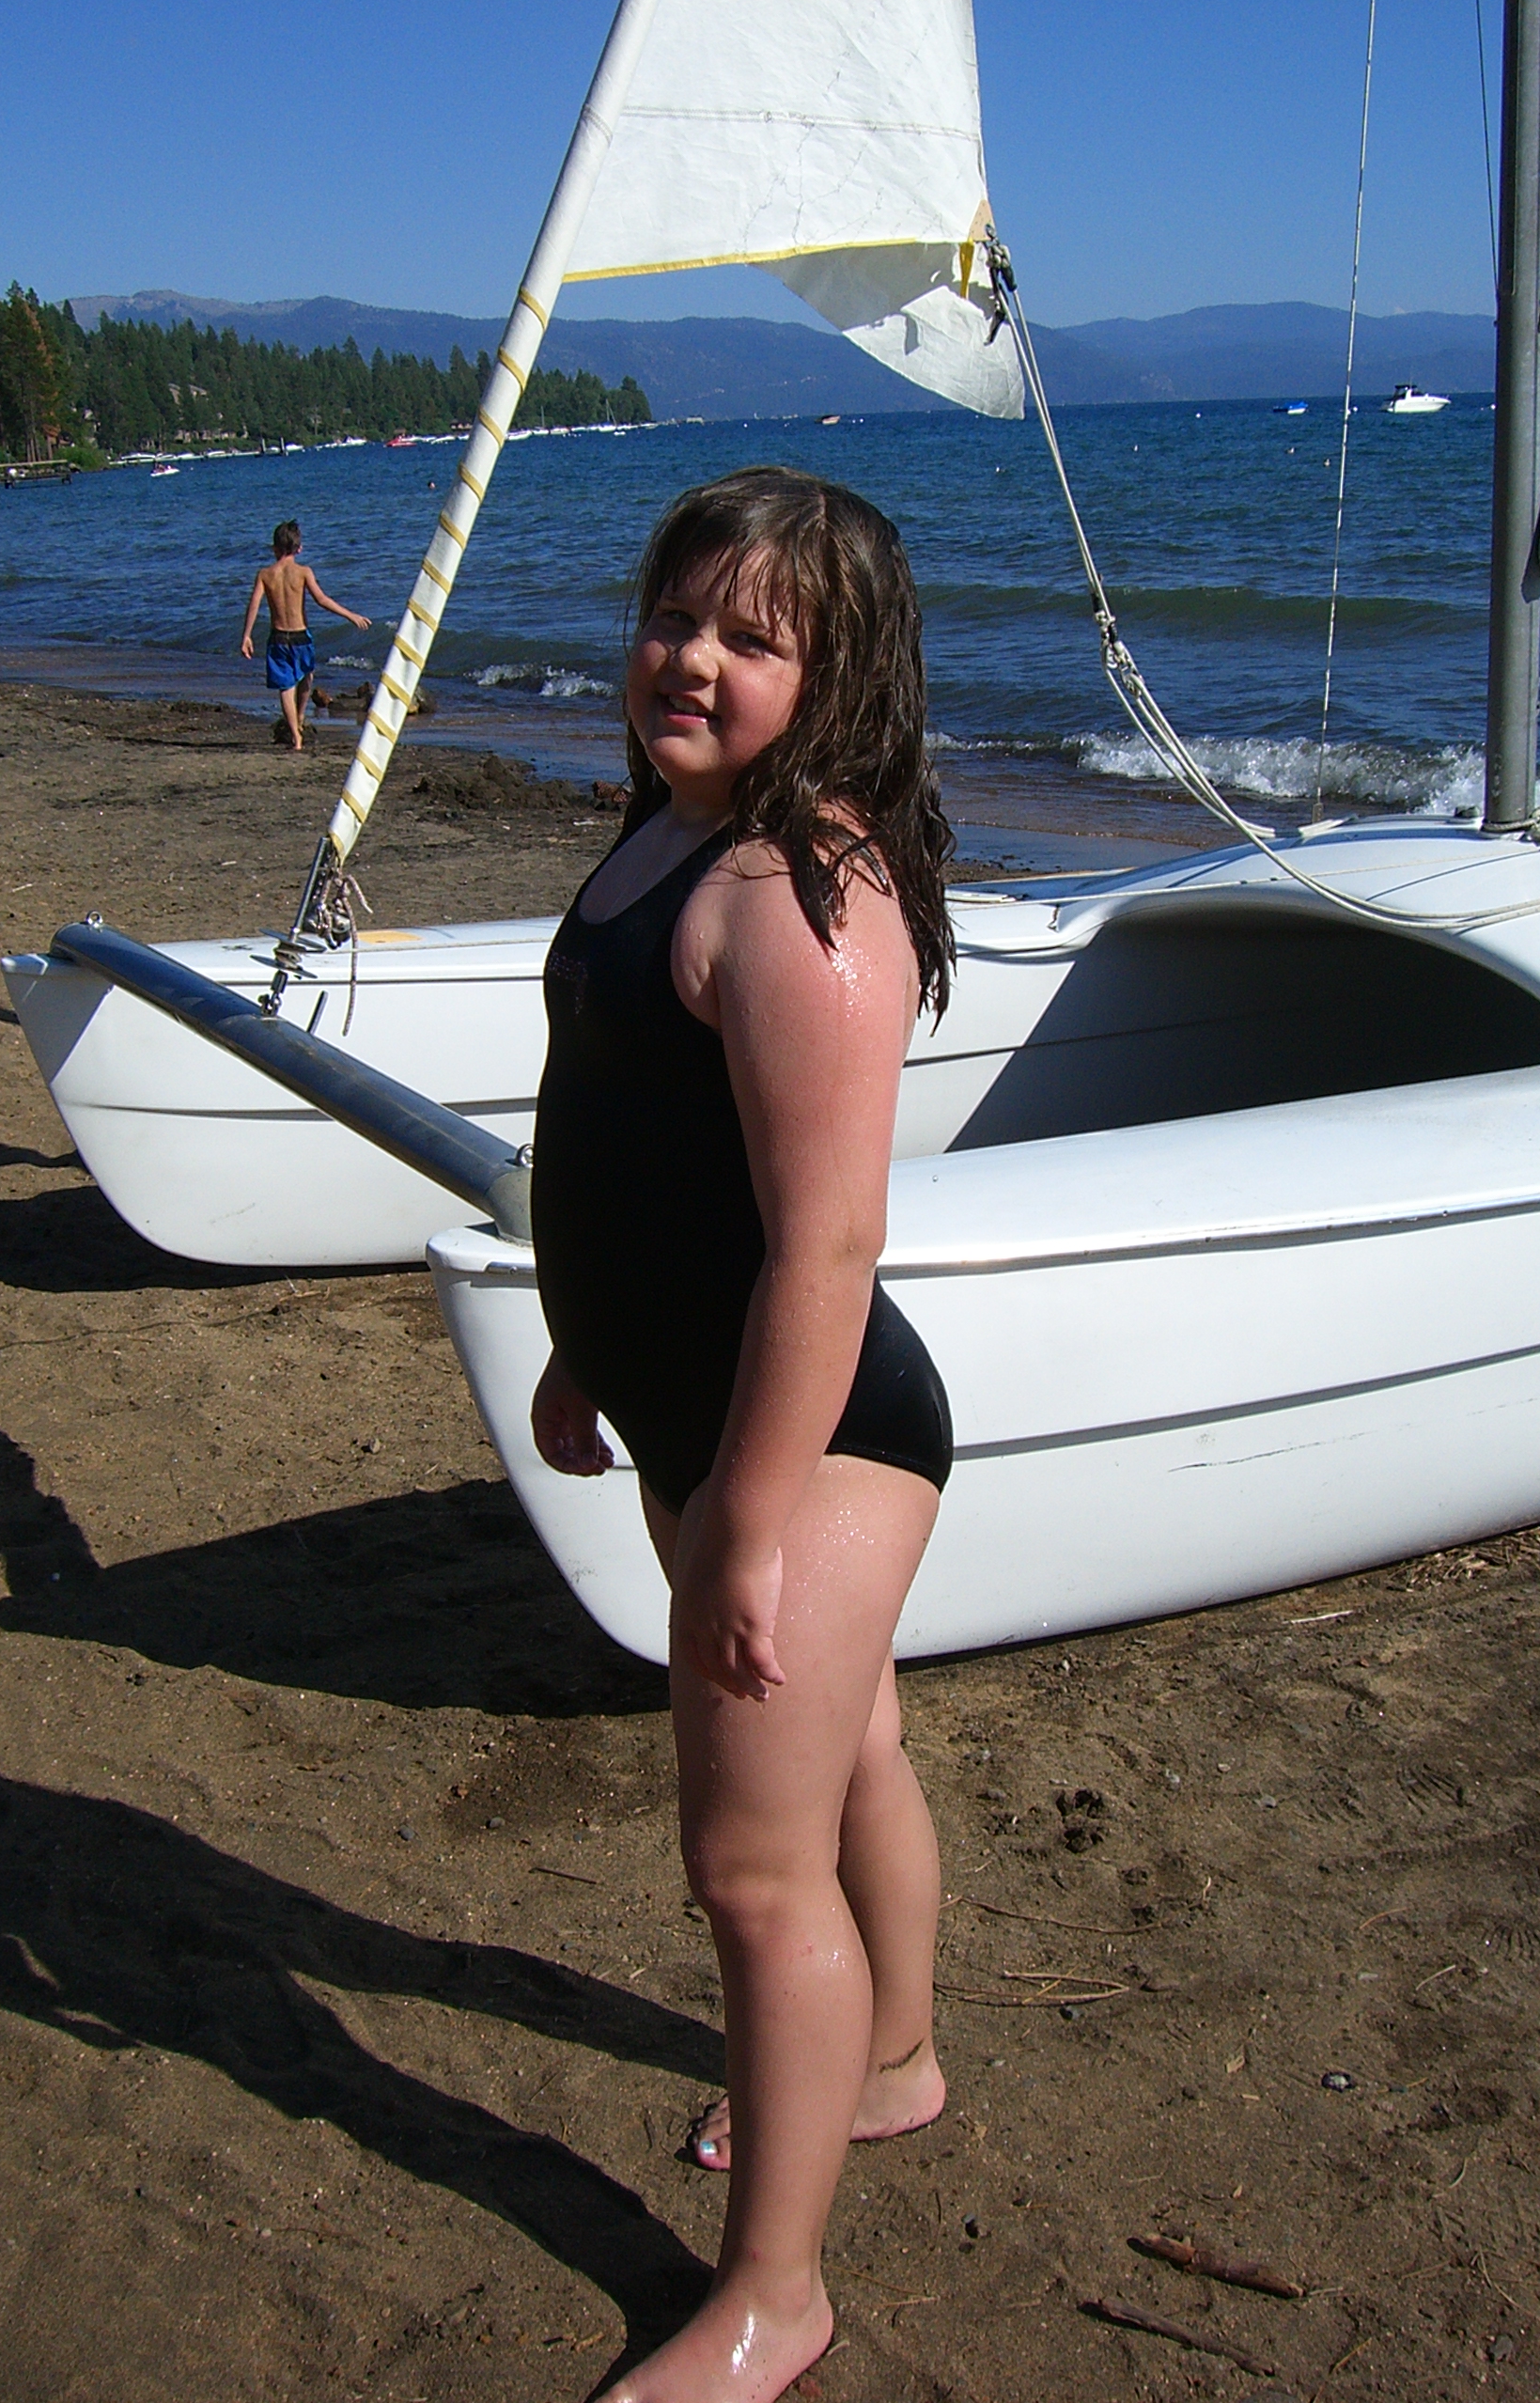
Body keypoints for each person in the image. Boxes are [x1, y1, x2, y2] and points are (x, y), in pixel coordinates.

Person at [529, 466, 954, 2403]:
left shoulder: (797, 898)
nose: (689, 658)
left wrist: (749, 1523)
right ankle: (896, 2058)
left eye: (750, 639)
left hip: (814, 1435)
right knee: (847, 1751)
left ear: (841, 679)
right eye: (673, 616)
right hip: (701, 1414)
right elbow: (613, 1130)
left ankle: (775, 2296)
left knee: (752, 1870)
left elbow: (826, 1247)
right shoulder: (666, 838)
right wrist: (581, 1349)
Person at [239, 520, 371, 750]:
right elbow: (322, 599)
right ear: (299, 548)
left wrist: (247, 635)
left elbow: (254, 605)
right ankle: (299, 717)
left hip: (278, 637)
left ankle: (295, 734)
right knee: (306, 676)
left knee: (286, 687)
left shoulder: (265, 574)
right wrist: (350, 615)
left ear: (274, 548)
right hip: (301, 636)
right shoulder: (303, 572)